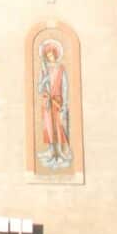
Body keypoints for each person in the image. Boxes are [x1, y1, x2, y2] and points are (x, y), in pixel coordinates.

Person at [37, 40, 72, 168]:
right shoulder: (44, 71)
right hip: (47, 103)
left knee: (59, 126)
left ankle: (61, 152)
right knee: (48, 127)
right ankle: (51, 151)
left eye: (52, 55)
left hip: (57, 102)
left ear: (56, 54)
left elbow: (65, 87)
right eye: (47, 56)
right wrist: (44, 80)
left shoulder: (61, 69)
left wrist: (65, 103)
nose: (50, 57)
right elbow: (39, 89)